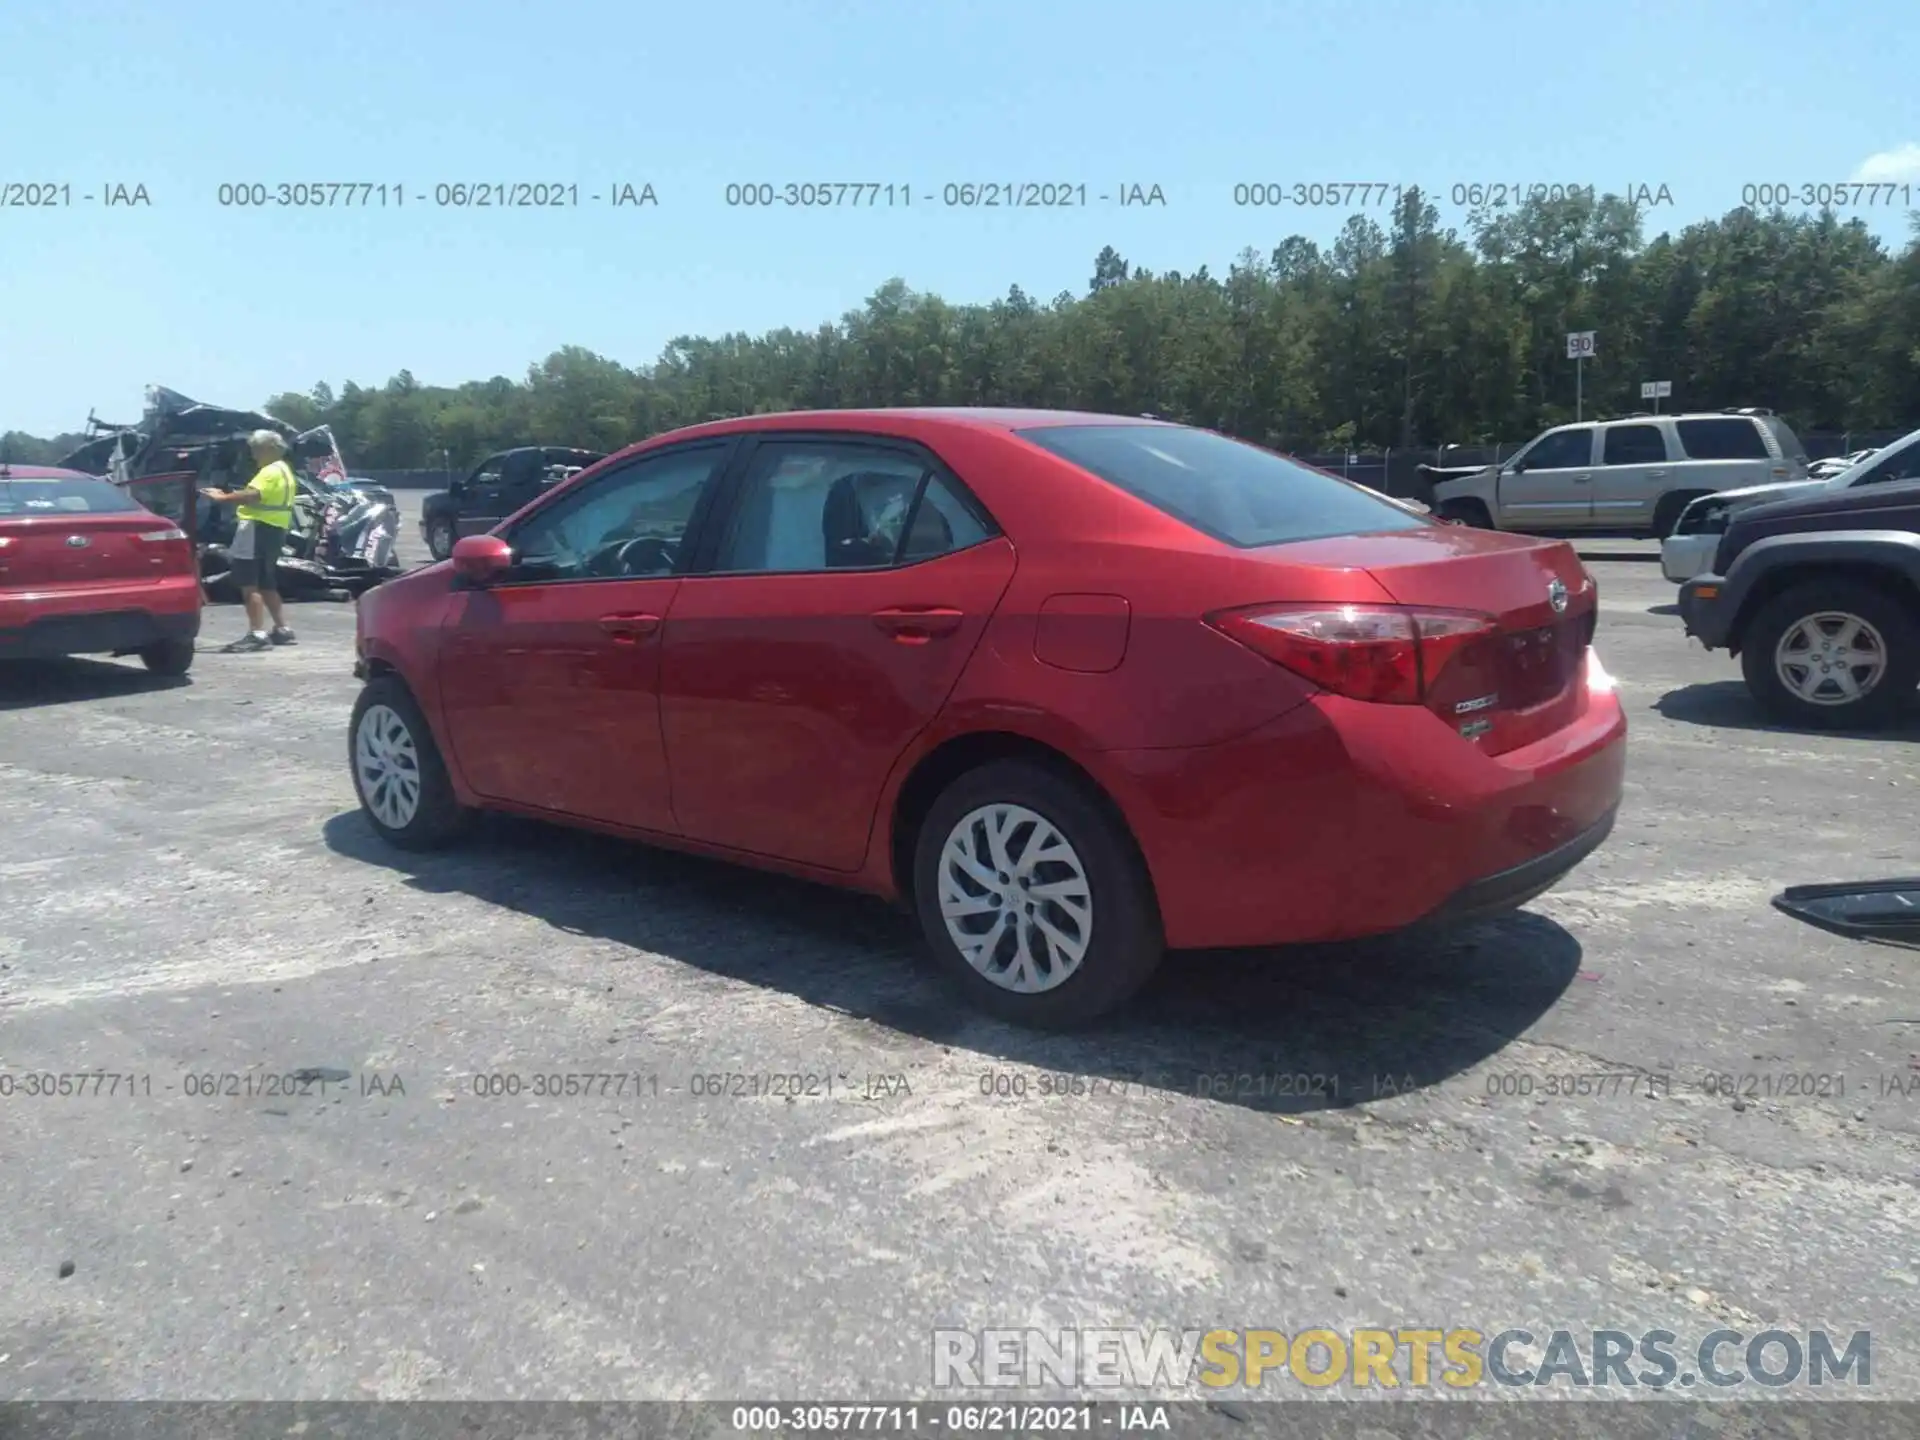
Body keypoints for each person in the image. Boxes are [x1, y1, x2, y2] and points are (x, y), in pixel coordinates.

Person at [202, 430, 298, 652]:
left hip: (256, 528)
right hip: (275, 529)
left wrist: (223, 497)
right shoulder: (285, 470)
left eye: (257, 449)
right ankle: (282, 628)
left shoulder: (268, 472)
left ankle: (256, 633)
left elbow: (254, 496)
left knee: (248, 582)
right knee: (266, 581)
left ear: (270, 449)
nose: (254, 455)